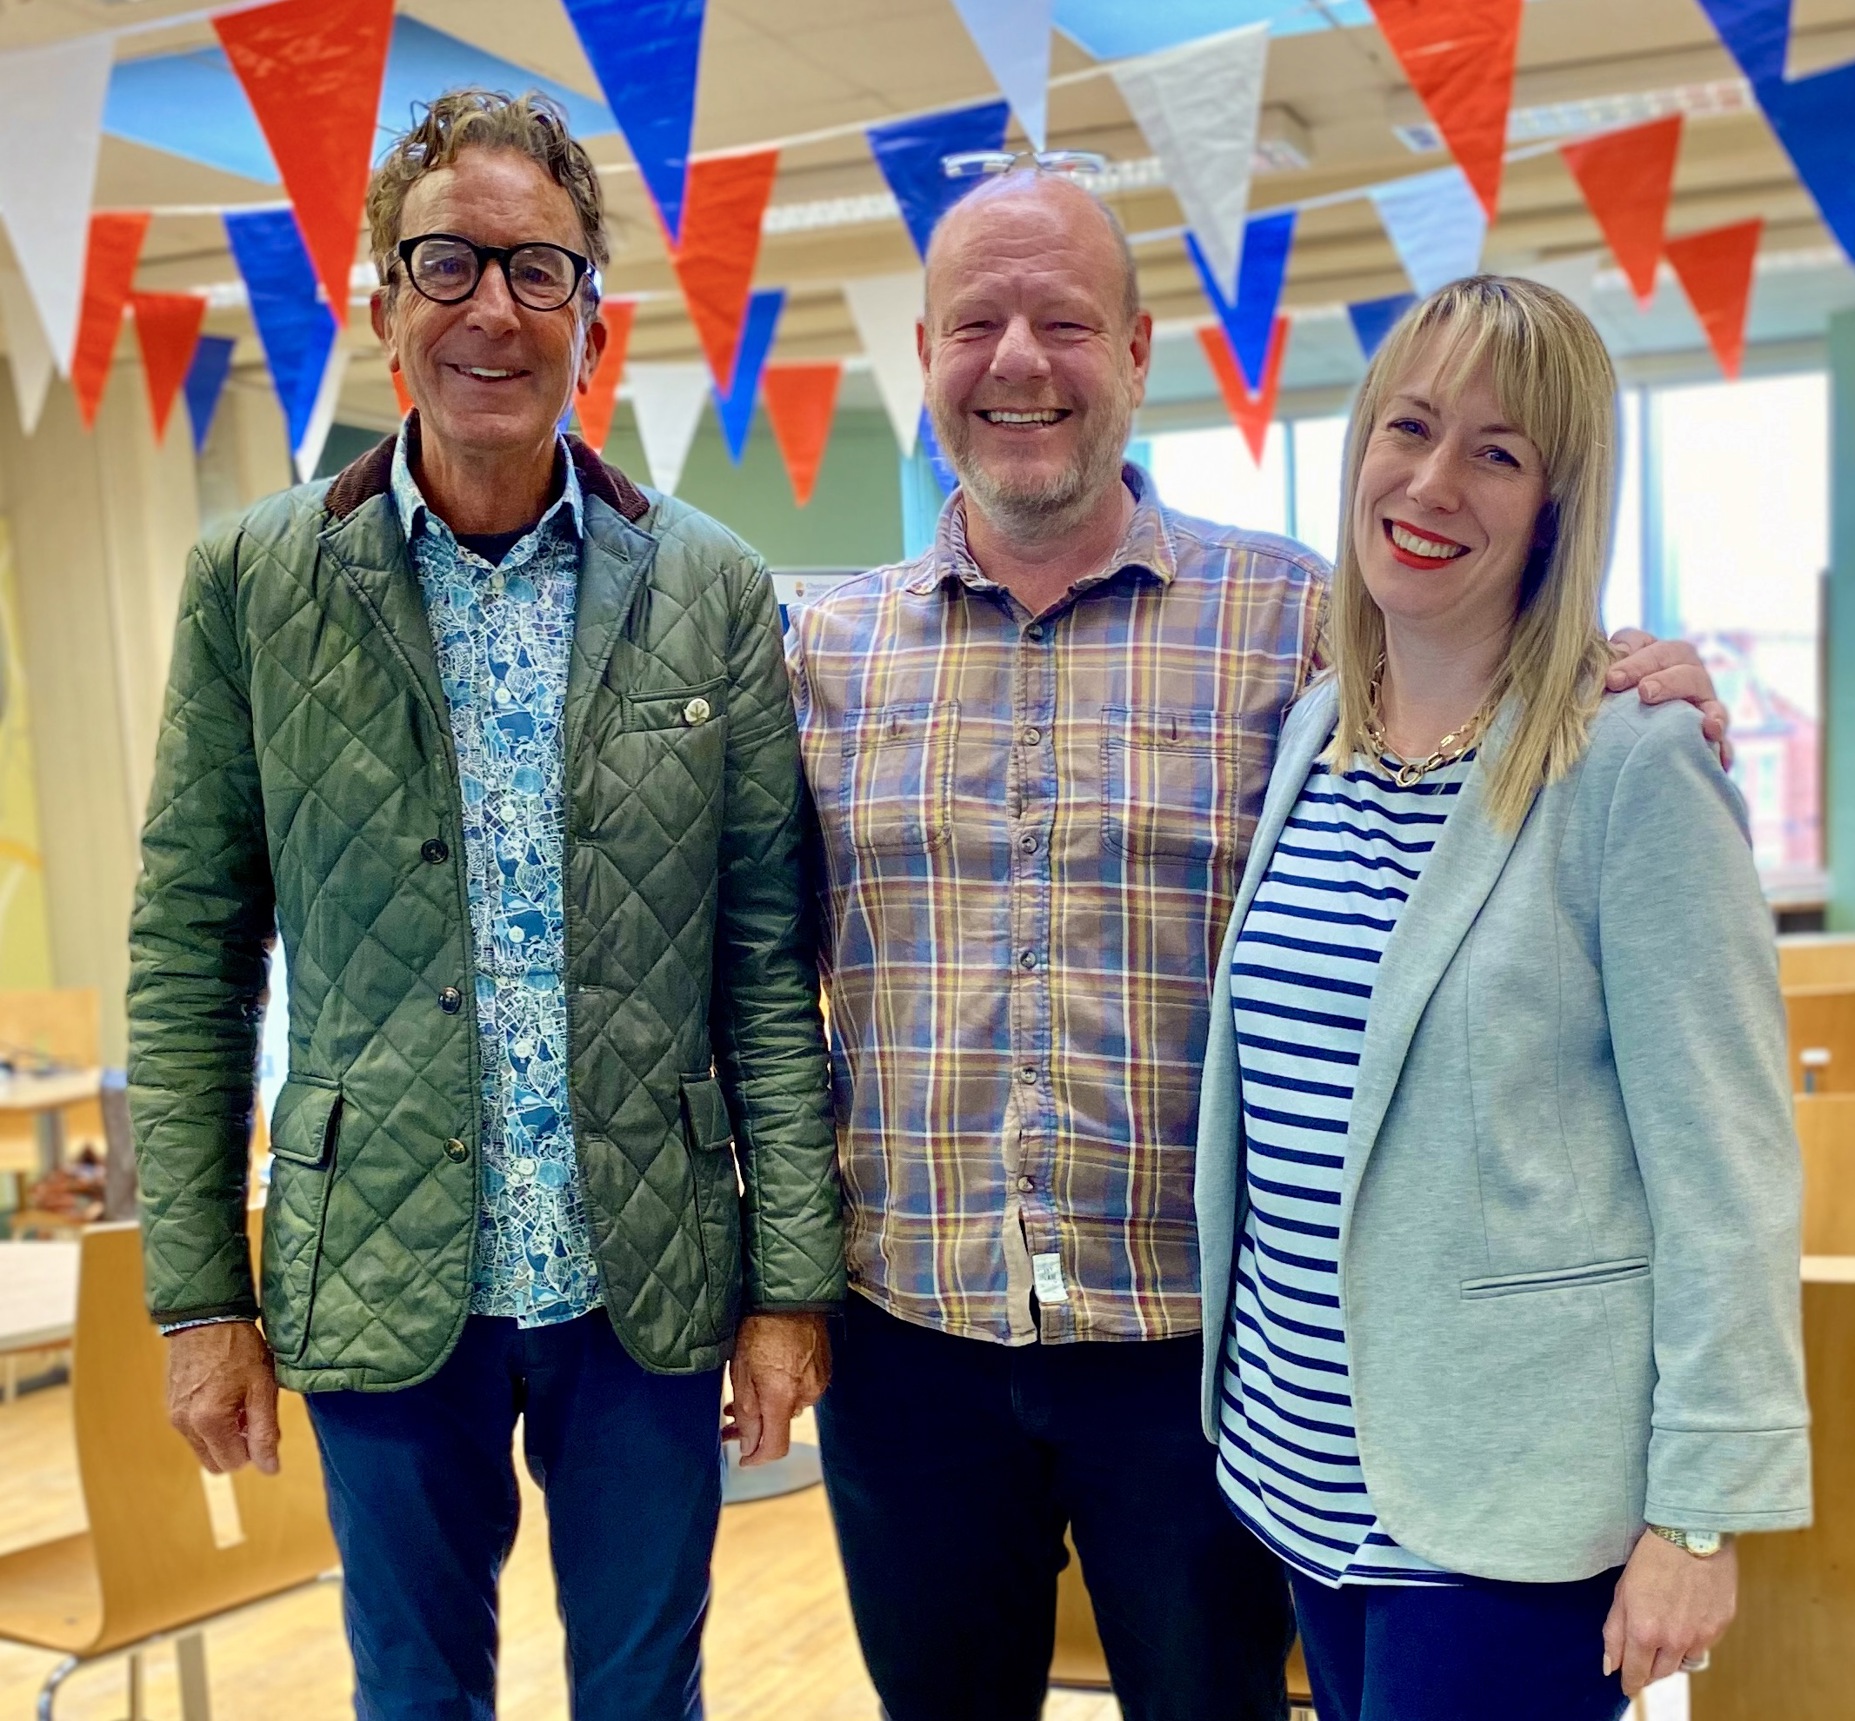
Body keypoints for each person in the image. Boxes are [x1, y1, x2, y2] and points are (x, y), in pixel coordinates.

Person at [785, 167, 1730, 1721]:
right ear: (925, 351)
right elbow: (764, 978)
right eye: (978, 321)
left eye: (1067, 320)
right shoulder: (819, 652)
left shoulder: (1294, 620)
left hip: (1198, 1357)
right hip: (913, 1344)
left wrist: (1635, 666)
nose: (1020, 357)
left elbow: (1491, 663)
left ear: (1142, 350)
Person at [127, 90, 841, 1720]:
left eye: (539, 268)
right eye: (447, 263)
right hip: (378, 1260)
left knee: (646, 1693)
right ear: (382, 306)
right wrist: (199, 1298)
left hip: (643, 1269)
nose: (492, 308)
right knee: (414, 1693)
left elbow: (760, 958)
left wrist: (790, 1281)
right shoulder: (257, 581)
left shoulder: (711, 589)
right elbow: (189, 956)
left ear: (598, 320)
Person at [1193, 274, 1811, 1721]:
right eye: (1408, 426)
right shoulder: (1313, 736)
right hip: (1298, 1475)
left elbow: (1727, 1172)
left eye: (1498, 450)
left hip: (1507, 1509)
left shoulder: (1633, 765)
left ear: (1555, 503)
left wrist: (1700, 1511)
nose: (1431, 480)